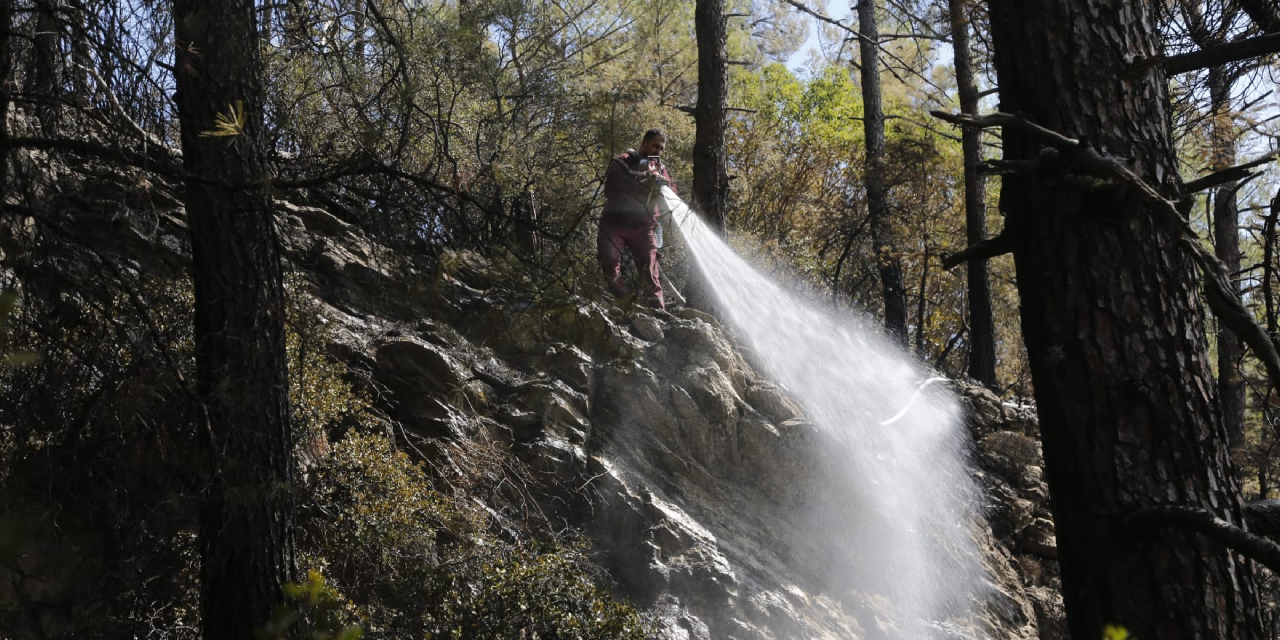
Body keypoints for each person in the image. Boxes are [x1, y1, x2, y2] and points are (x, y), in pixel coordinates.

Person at [598, 128, 676, 309]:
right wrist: (643, 183)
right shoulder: (623, 161)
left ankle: (658, 312)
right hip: (614, 222)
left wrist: (663, 185)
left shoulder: (659, 168)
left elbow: (671, 193)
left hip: (644, 225)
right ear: (645, 142)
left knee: (649, 270)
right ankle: (626, 303)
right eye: (655, 146)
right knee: (608, 261)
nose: (658, 152)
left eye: (662, 149)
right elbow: (611, 189)